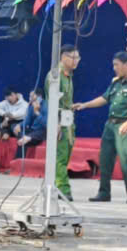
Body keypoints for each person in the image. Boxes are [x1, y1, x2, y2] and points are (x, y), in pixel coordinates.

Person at [76, 50, 127, 203]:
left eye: (117, 65)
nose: (114, 68)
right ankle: (104, 192)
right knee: (105, 159)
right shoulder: (116, 82)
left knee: (126, 159)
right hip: (110, 125)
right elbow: (104, 98)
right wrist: (85, 105)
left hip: (124, 125)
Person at [54, 44, 80, 201]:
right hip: (60, 121)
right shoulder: (55, 76)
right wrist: (56, 124)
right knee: (61, 157)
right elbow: (52, 102)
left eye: (78, 58)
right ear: (64, 57)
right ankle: (63, 189)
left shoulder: (67, 76)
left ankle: (57, 185)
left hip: (68, 120)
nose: (76, 61)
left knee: (66, 155)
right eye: (73, 57)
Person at [15, 89, 47, 156]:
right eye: (30, 96)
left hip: (43, 131)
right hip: (33, 130)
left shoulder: (46, 106)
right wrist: (19, 125)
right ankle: (27, 138)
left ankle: (29, 137)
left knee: (41, 131)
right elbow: (27, 121)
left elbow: (46, 124)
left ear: (39, 97)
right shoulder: (32, 105)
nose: (30, 98)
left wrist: (37, 113)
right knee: (16, 128)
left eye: (32, 96)